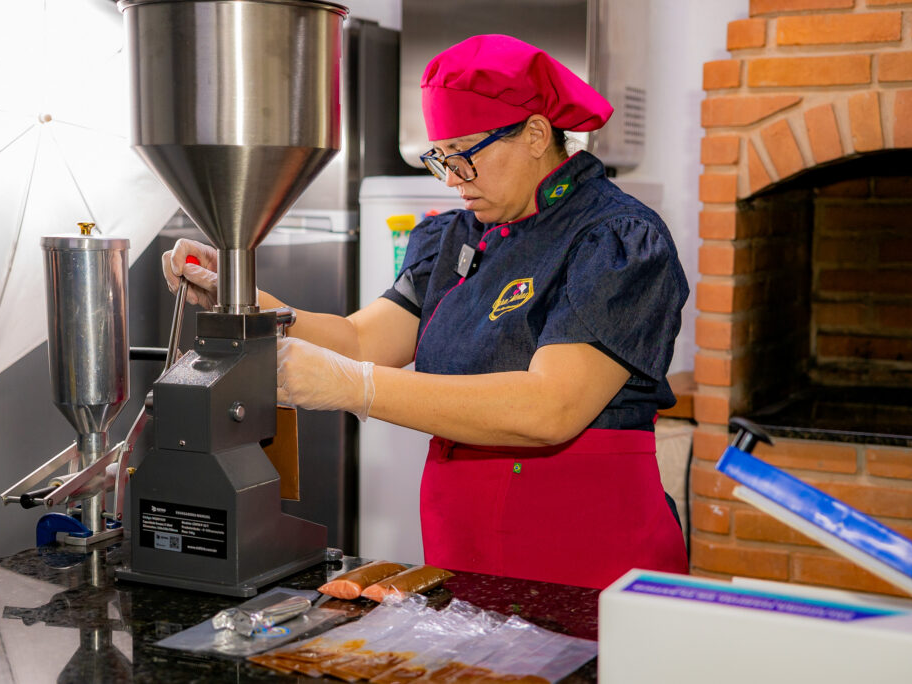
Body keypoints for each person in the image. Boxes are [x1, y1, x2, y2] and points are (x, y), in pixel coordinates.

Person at [163, 34, 689, 590]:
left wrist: (355, 388)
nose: (454, 178)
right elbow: (361, 342)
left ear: (537, 134)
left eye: (467, 155)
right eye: (440, 159)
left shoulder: (614, 238)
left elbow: (550, 409)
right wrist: (241, 296)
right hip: (464, 542)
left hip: (586, 551)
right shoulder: (455, 236)